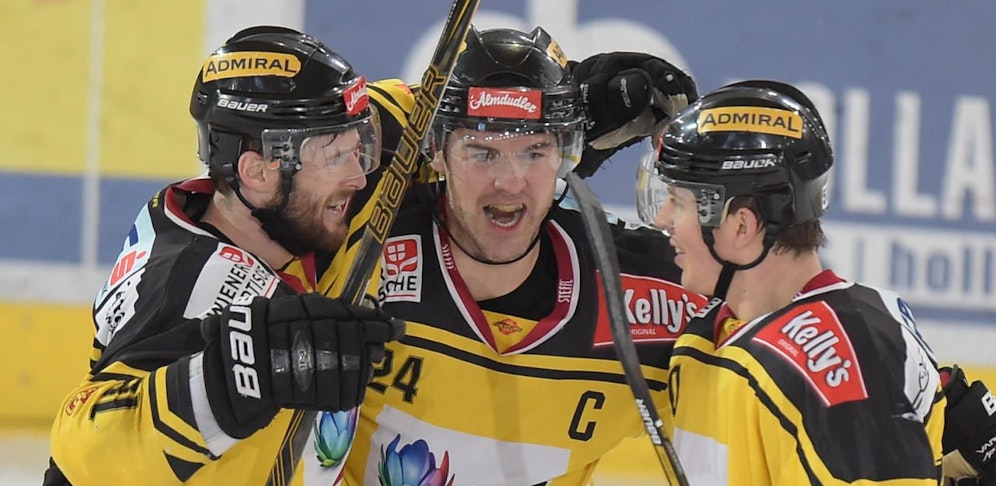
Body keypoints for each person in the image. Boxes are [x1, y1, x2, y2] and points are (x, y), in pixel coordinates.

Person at [336, 26, 706, 485]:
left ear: (569, 152)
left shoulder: (651, 293)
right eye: (482, 152)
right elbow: (320, 124)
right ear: (435, 150)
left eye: (534, 151)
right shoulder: (358, 235)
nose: (510, 182)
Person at [43, 26, 408, 485]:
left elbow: (406, 104)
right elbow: (89, 452)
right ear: (257, 172)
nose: (359, 177)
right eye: (335, 157)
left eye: (359, 148)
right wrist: (235, 374)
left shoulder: (272, 216)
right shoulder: (198, 287)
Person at [637, 79, 946, 484]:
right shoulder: (710, 334)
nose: (663, 220)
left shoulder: (837, 363)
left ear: (742, 225)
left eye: (678, 202)